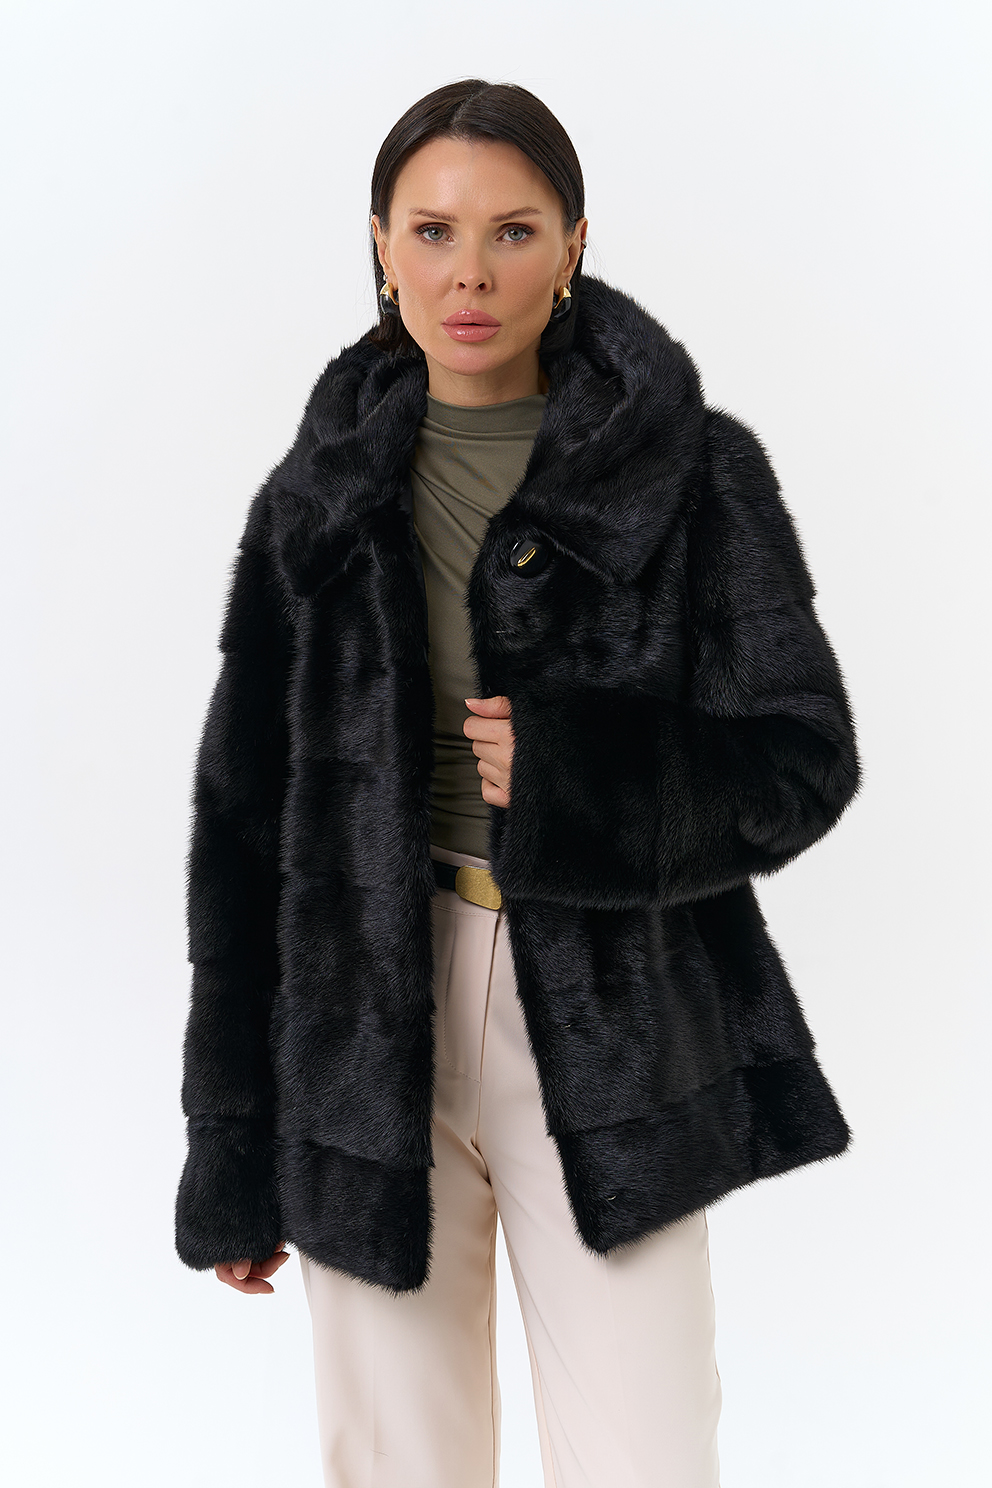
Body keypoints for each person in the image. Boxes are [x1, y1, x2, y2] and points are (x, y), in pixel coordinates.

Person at [174, 79, 861, 1488]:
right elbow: (242, 833)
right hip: (364, 1026)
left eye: (513, 230)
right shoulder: (316, 501)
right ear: (381, 245)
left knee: (643, 1456)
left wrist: (583, 779)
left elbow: (802, 753)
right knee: (397, 1463)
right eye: (432, 231)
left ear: (574, 243)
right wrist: (233, 1142)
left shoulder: (691, 475)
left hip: (614, 1015)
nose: (470, 274)